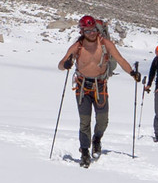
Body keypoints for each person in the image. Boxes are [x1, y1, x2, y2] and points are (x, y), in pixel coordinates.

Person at [58, 15, 138, 166]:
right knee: (84, 121)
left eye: (93, 30)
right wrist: (67, 63)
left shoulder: (105, 44)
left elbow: (120, 60)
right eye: (87, 31)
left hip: (100, 85)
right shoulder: (77, 47)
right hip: (82, 86)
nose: (91, 33)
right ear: (82, 32)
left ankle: (97, 139)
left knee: (103, 120)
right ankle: (85, 151)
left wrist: (133, 73)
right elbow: (61, 65)